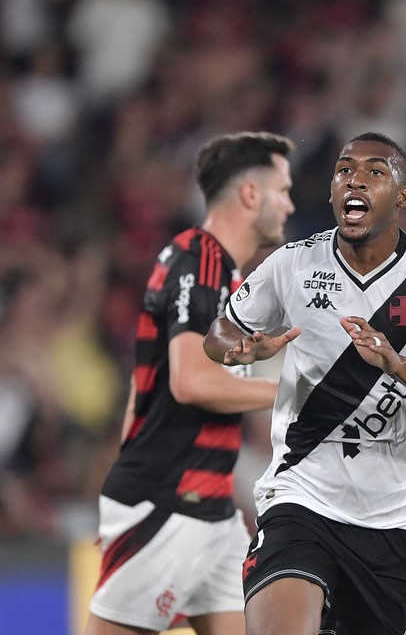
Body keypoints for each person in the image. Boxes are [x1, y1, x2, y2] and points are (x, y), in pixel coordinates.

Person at [203, 131, 406, 635]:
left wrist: (398, 365)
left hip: (393, 523)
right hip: (301, 498)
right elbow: (219, 332)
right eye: (344, 170)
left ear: (402, 196)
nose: (355, 180)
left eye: (375, 172)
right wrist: (241, 347)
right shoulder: (294, 264)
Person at [84, 131, 297, 635]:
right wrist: (295, 394)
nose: (290, 204)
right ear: (251, 194)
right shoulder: (201, 261)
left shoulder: (222, 275)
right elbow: (191, 384)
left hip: (210, 510)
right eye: (283, 190)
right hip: (168, 502)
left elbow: (142, 389)